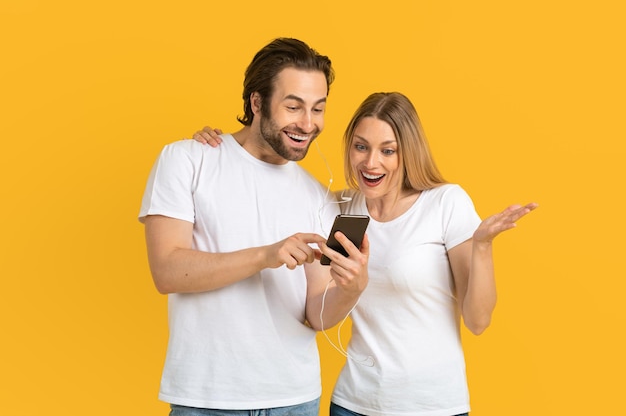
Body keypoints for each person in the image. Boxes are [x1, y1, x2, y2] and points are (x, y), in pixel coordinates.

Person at [193, 91, 538, 416]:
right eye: (361, 147)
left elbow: (478, 321)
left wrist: (482, 246)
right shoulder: (337, 207)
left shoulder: (445, 203)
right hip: (352, 404)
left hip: (432, 406)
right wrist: (227, 148)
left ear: (409, 151)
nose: (371, 163)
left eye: (388, 151)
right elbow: (274, 182)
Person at [138, 37, 369, 416]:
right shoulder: (188, 160)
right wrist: (265, 255)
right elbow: (167, 271)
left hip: (296, 399)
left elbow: (317, 315)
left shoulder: (317, 195)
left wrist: (352, 288)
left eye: (318, 109)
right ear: (256, 102)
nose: (307, 124)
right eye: (293, 106)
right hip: (207, 400)